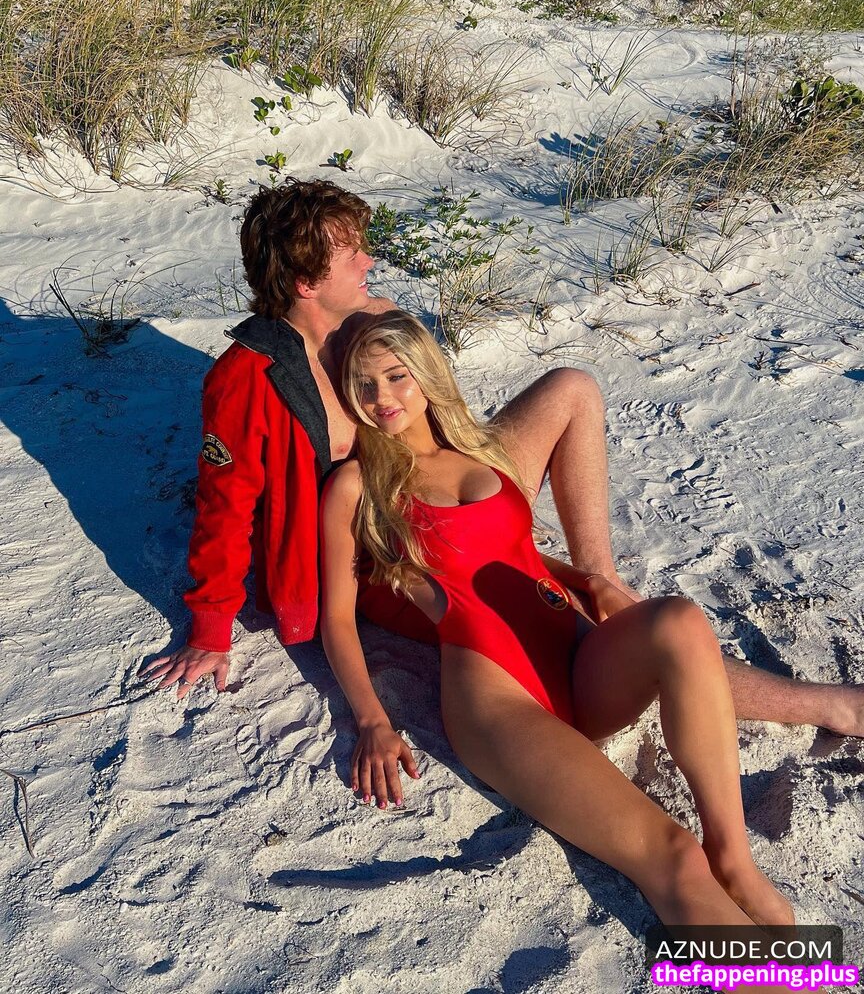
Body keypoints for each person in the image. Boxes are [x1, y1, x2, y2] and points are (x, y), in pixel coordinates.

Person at [139, 178, 863, 741]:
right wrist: (209, 630)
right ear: (304, 282)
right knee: (590, 641)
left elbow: (445, 420)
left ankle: (602, 576)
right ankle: (829, 706)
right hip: (393, 546)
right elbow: (224, 507)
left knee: (572, 388)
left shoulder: (377, 319)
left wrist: (499, 504)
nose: (369, 260)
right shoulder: (248, 377)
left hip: (449, 488)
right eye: (350, 252)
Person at [320, 309, 794, 940]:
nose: (382, 397)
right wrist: (373, 722)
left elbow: (507, 549)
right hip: (497, 698)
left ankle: (732, 856)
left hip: (571, 651)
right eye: (364, 385)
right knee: (672, 857)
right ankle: (796, 975)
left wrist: (585, 579)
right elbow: (336, 618)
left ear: (426, 375)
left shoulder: (474, 449)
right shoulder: (359, 485)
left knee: (678, 619)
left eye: (395, 376)